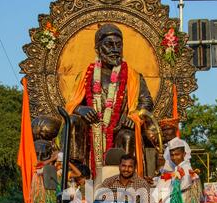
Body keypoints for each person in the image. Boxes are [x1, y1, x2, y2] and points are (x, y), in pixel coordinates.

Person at [66, 23, 154, 177]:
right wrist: (80, 109)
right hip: (92, 129)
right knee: (73, 120)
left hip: (120, 128)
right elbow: (72, 103)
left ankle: (125, 180)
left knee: (128, 135)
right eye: (109, 44)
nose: (115, 49)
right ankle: (77, 173)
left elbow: (146, 102)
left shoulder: (133, 76)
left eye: (118, 45)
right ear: (98, 49)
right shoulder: (86, 75)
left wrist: (133, 118)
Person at [152, 137, 201, 203]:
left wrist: (163, 200)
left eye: (177, 154)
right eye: (172, 155)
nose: (174, 158)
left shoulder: (186, 169)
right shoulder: (177, 168)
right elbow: (167, 179)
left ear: (184, 154)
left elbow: (179, 189)